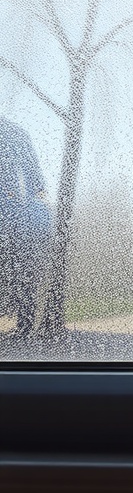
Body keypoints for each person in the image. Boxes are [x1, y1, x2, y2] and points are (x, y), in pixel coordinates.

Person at [0, 117, 53, 338]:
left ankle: (24, 324)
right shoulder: (17, 133)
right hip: (21, 220)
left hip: (17, 219)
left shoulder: (15, 134)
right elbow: (36, 183)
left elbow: (35, 183)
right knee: (25, 272)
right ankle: (25, 325)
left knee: (22, 271)